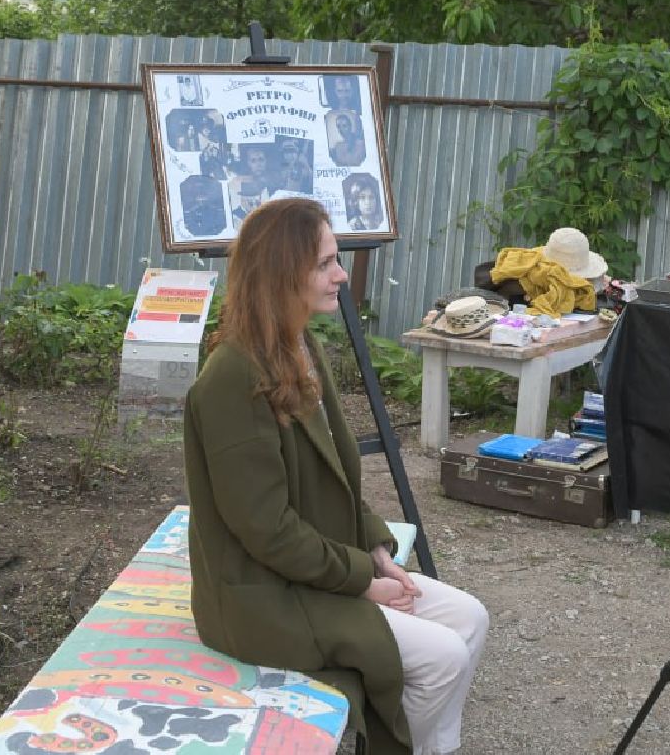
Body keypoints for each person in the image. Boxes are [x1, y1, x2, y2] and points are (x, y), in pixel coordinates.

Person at [183, 199, 488, 755]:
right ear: (282, 271)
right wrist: (361, 582)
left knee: (471, 618)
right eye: (325, 263)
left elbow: (337, 474)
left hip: (307, 571)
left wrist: (374, 549)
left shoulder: (302, 347)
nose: (341, 275)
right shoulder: (233, 377)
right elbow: (266, 530)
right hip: (259, 598)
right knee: (441, 657)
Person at [226, 144, 273, 221]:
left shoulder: (274, 183)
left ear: (266, 161)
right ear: (248, 163)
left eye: (261, 159)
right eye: (253, 161)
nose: (258, 164)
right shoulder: (239, 182)